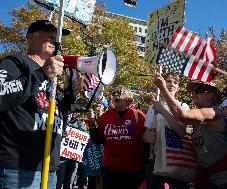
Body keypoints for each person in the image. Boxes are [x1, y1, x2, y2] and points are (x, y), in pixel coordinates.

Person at [0, 20, 80, 188]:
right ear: (30, 37)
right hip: (19, 169)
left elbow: (58, 118)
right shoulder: (14, 63)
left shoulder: (53, 76)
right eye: (48, 34)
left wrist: (69, 96)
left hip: (49, 169)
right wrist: (41, 74)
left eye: (56, 37)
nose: (55, 40)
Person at [153, 74, 227, 189]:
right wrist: (162, 110)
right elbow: (183, 133)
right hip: (208, 178)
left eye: (199, 90)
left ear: (211, 95)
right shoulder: (194, 123)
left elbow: (183, 115)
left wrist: (163, 88)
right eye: (192, 91)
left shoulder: (214, 113)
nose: (193, 94)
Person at [92, 85, 146, 189]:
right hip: (110, 169)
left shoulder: (137, 116)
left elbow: (146, 140)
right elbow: (98, 140)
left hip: (134, 169)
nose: (116, 94)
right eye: (114, 93)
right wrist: (91, 125)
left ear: (128, 99)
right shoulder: (104, 117)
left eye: (120, 92)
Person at [143, 72, 190, 189]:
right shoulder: (153, 106)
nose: (172, 84)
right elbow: (145, 134)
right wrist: (147, 137)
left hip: (177, 159)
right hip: (156, 158)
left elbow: (181, 132)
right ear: (163, 83)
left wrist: (163, 111)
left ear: (178, 87)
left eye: (175, 82)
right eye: (168, 81)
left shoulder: (183, 107)